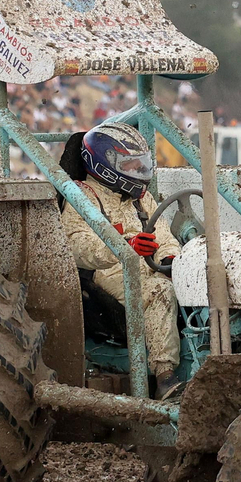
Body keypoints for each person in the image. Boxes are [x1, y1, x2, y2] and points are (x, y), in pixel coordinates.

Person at [60, 122, 182, 389]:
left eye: (141, 164)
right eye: (129, 165)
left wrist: (171, 259)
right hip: (107, 275)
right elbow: (77, 246)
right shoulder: (81, 195)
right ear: (105, 164)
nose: (138, 171)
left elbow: (164, 237)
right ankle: (165, 377)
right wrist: (126, 247)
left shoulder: (141, 198)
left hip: (147, 269)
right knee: (159, 289)